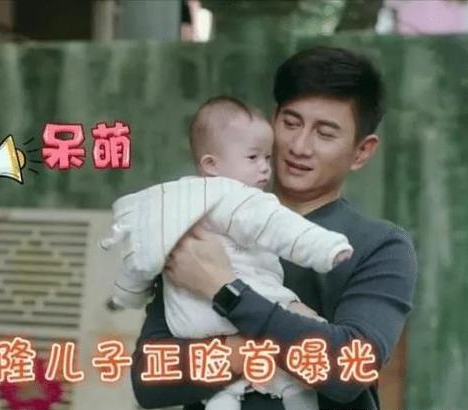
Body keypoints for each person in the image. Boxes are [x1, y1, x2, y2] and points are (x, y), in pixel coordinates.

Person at [130, 46, 418, 410]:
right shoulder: (203, 224)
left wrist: (223, 289)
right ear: (272, 121)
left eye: (325, 133)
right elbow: (149, 380)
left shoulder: (380, 246)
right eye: (291, 123)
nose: (299, 146)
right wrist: (281, 345)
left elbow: (347, 370)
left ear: (361, 151)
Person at [101, 97, 354, 410]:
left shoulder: (174, 213)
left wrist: (127, 295)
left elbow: (140, 257)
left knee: (224, 396)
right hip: (239, 314)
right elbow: (147, 385)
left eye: (267, 157)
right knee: (302, 355)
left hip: (191, 326)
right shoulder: (238, 200)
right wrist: (326, 248)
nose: (265, 167)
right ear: (211, 165)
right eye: (253, 157)